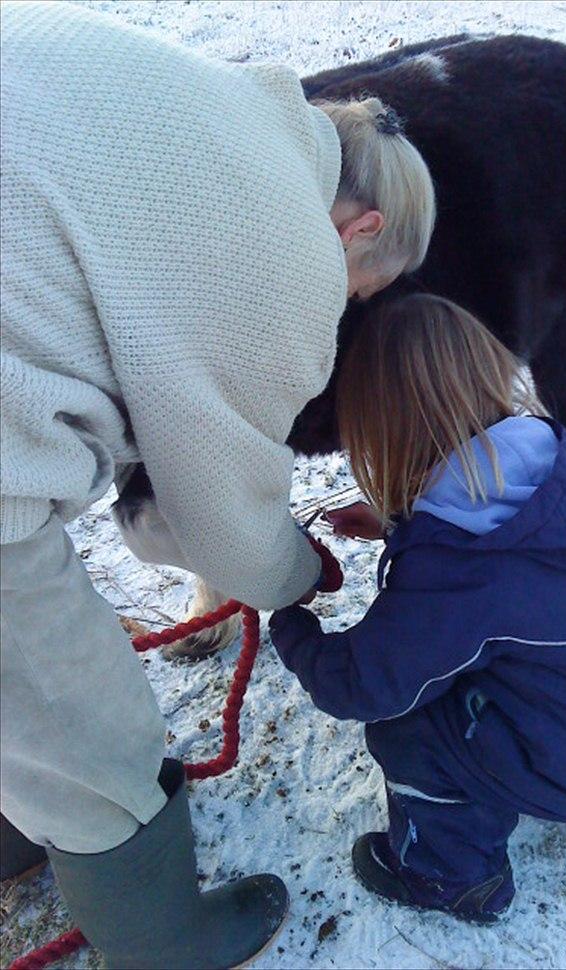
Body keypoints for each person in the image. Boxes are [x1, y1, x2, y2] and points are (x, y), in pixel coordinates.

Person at [0, 1, 435, 965]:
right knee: (84, 726)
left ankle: (15, 822)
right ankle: (160, 938)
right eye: (363, 285)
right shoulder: (289, 254)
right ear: (359, 228)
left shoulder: (213, 105)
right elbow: (213, 517)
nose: (346, 303)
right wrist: (300, 576)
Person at [269, 294, 566, 924]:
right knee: (554, 662)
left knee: (409, 721)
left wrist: (288, 619)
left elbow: (361, 684)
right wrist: (396, 523)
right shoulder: (552, 468)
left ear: (382, 431)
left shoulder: (455, 577)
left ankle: (452, 877)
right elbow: (490, 545)